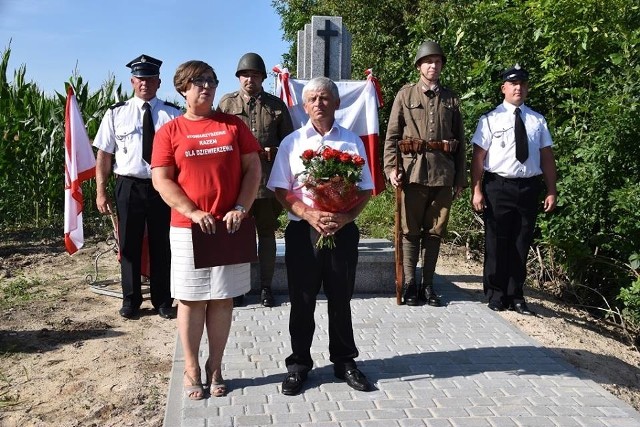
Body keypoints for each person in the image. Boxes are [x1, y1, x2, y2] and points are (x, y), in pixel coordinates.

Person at [151, 60, 261, 399]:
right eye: (198, 81)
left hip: (229, 227)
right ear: (183, 88)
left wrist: (241, 207)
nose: (206, 86)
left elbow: (253, 170)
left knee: (223, 300)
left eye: (211, 80)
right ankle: (191, 366)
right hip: (189, 229)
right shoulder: (170, 131)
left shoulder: (233, 126)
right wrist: (193, 211)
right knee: (191, 300)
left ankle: (215, 366)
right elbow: (162, 180)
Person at [267, 76, 375, 396]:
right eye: (313, 99)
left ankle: (344, 362)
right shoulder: (292, 143)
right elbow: (281, 190)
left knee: (340, 298)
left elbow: (366, 189)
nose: (319, 103)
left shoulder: (352, 142)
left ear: (337, 103)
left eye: (326, 98)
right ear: (304, 105)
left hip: (342, 230)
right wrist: (310, 214)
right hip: (304, 231)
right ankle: (299, 364)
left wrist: (344, 217)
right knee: (302, 300)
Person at [93, 54, 181, 319]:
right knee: (128, 245)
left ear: (158, 81)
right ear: (132, 81)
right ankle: (130, 300)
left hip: (162, 187)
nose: (144, 83)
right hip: (128, 185)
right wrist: (101, 191)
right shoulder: (116, 113)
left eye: (149, 79)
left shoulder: (172, 114)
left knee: (161, 244)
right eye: (140, 79)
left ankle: (163, 300)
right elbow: (104, 154)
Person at [383, 40, 466, 307]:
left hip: (443, 173)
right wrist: (390, 169)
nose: (433, 66)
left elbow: (461, 141)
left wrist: (460, 180)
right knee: (410, 231)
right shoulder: (405, 96)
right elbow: (392, 137)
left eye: (438, 62)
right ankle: (409, 283)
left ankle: (427, 285)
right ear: (419, 65)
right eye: (428, 61)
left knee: (435, 231)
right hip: (412, 172)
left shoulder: (451, 98)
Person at [470, 64, 557, 315]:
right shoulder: (490, 119)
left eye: (523, 84)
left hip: (528, 187)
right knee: (497, 242)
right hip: (499, 186)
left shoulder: (537, 120)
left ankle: (516, 294)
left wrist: (551, 189)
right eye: (513, 84)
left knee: (521, 242)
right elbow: (478, 158)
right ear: (504, 88)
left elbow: (547, 157)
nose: (518, 88)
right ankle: (496, 294)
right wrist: (477, 190)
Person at [217, 52, 294, 308]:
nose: (250, 79)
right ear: (239, 78)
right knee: (237, 236)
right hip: (236, 183)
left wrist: (275, 149)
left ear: (262, 77)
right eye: (245, 75)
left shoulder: (276, 105)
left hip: (266, 182)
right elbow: (216, 139)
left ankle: (265, 287)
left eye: (255, 75)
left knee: (267, 236)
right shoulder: (226, 105)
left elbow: (290, 142)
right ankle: (238, 289)